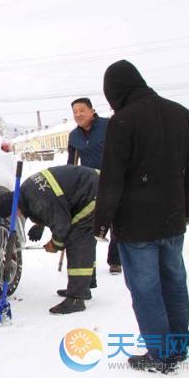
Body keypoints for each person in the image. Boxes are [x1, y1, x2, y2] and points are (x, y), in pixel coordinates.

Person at [94, 60, 189, 373]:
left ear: (115, 92)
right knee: (175, 281)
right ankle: (177, 348)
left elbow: (112, 177)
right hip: (172, 216)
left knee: (146, 288)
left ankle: (158, 353)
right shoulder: (181, 113)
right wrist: (188, 207)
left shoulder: (123, 122)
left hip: (136, 225)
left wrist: (101, 223)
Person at [0, 165, 99, 314]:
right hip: (89, 186)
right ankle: (84, 286)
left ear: (15, 206)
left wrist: (55, 245)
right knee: (78, 239)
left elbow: (62, 225)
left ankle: (77, 297)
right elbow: (52, 203)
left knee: (78, 240)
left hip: (94, 194)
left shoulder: (38, 201)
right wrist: (40, 224)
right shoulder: (26, 190)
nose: (16, 217)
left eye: (13, 214)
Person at [66, 97, 121, 274]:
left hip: (113, 179)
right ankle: (89, 266)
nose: (78, 114)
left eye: (81, 110)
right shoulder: (74, 136)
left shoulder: (109, 125)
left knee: (115, 221)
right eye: (74, 112)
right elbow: (71, 163)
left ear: (92, 110)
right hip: (89, 184)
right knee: (89, 223)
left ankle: (115, 260)